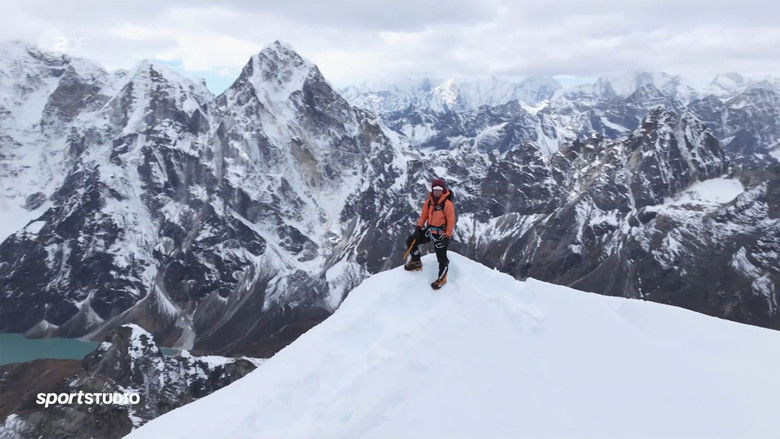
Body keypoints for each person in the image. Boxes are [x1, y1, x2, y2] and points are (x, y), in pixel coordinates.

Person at [404, 178, 456, 290]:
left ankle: (442, 278)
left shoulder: (447, 204)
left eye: (439, 189)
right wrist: (418, 228)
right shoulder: (429, 202)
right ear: (432, 190)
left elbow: (451, 221)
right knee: (411, 240)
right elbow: (423, 216)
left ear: (443, 190)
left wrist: (447, 236)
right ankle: (416, 261)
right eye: (435, 189)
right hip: (430, 231)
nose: (437, 191)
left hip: (441, 235)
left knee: (441, 258)